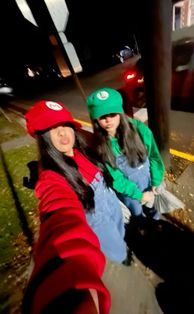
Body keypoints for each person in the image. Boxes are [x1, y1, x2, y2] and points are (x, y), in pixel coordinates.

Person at [22, 99, 128, 313]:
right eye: (53, 130)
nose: (63, 134)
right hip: (98, 225)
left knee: (122, 234)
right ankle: (124, 259)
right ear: (43, 139)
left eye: (65, 126)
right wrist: (65, 279)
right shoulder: (52, 176)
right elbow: (59, 213)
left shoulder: (81, 149)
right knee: (117, 251)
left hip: (113, 210)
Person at [86, 87, 165, 220]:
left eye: (113, 114)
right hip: (129, 193)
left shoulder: (140, 130)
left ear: (120, 112)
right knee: (138, 216)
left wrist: (156, 181)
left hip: (149, 183)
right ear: (95, 119)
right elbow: (116, 178)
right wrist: (139, 195)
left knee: (154, 211)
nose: (108, 120)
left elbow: (154, 156)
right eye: (102, 116)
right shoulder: (101, 146)